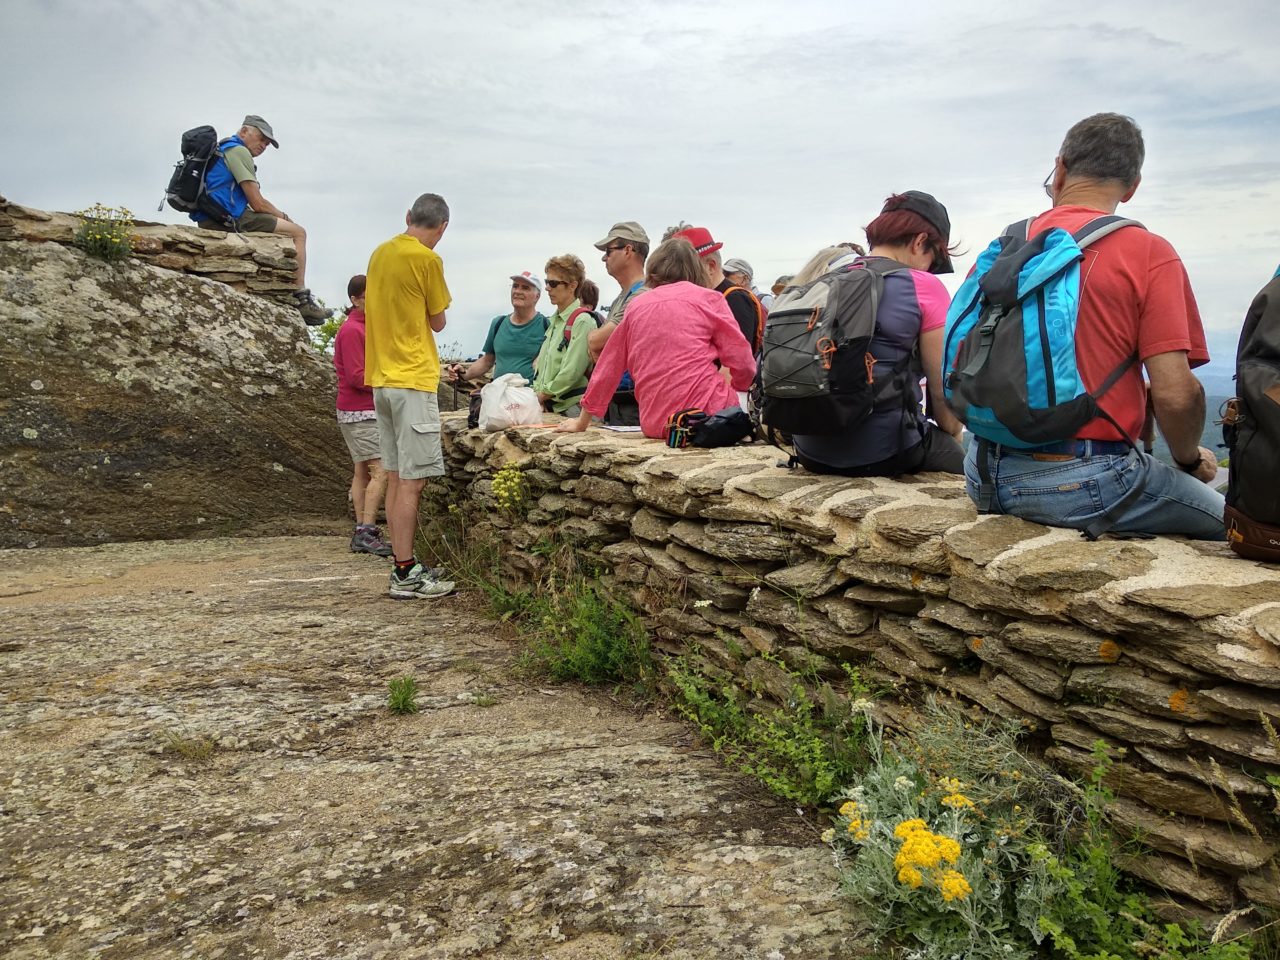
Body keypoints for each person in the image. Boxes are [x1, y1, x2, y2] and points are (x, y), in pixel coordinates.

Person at [962, 113, 1223, 539]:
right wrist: (1191, 460)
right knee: (1238, 527)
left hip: (982, 471)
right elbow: (1176, 395)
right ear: (1133, 186)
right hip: (1086, 481)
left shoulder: (1008, 243)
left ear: (1060, 168)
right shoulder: (1148, 253)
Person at [789, 193, 966, 477]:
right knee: (964, 462)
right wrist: (953, 432)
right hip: (886, 451)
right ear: (920, 242)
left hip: (809, 450)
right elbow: (942, 393)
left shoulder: (825, 280)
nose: (931, 269)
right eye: (935, 259)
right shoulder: (922, 285)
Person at [557, 238, 756, 439]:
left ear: (654, 268)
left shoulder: (636, 306)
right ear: (695, 269)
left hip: (656, 423)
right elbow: (741, 358)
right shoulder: (709, 299)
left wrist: (582, 421)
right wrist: (741, 387)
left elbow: (609, 365)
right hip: (706, 417)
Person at [364, 193, 456, 599]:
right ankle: (405, 574)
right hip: (413, 378)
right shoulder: (427, 259)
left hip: (381, 379)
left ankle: (404, 565)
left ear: (408, 217)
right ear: (442, 227)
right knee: (412, 483)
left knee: (397, 476)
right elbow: (438, 321)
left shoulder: (379, 254)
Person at [189, 115, 327, 323]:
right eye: (261, 139)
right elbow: (258, 203)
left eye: (267, 143)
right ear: (244, 131)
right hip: (230, 218)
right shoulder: (239, 151)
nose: (264, 146)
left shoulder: (224, 149)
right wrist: (286, 218)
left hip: (211, 216)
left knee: (291, 229)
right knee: (298, 233)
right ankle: (302, 300)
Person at [333, 275, 391, 557]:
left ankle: (361, 529)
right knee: (381, 470)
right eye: (370, 296)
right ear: (356, 299)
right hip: (362, 410)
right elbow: (358, 377)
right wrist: (392, 380)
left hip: (355, 410)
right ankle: (367, 530)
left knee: (361, 470)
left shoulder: (364, 327)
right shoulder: (354, 331)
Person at [670, 225, 764, 352]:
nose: (681, 276)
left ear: (710, 266)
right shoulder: (705, 297)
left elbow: (736, 365)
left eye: (688, 269)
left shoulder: (735, 299)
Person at [447, 270, 548, 386]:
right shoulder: (498, 323)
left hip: (530, 398)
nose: (518, 291)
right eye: (515, 286)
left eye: (525, 288)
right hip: (498, 396)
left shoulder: (546, 325)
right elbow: (487, 360)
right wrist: (464, 374)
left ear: (537, 296)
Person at [531, 255, 596, 415]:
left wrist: (539, 396)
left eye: (553, 283)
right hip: (553, 407)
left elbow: (572, 372)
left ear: (572, 286)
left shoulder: (582, 321)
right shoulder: (555, 321)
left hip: (573, 409)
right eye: (547, 282)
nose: (547, 288)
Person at [587, 221, 650, 360]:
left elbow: (595, 341)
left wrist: (595, 338)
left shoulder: (643, 294)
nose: (604, 258)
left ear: (627, 251)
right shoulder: (623, 297)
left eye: (608, 251)